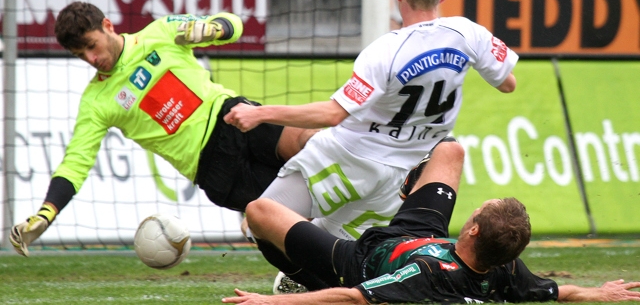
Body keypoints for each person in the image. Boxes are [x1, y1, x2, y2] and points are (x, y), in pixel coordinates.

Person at [224, 0, 518, 244]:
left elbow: (333, 114)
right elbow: (508, 84)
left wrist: (260, 113)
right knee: (338, 248)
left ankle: (297, 270)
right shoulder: (469, 33)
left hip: (347, 158)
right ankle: (306, 271)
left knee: (256, 224)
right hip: (400, 174)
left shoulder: (385, 51)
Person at [10, 2, 316, 257]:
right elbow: (75, 164)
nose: (92, 59)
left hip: (234, 117)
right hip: (213, 168)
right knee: (296, 219)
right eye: (81, 55)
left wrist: (213, 28)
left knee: (310, 142)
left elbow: (233, 24)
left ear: (107, 25)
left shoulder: (161, 31)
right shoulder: (96, 101)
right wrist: (47, 213)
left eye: (91, 46)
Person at [221, 140, 640, 304]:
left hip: (357, 260)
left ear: (473, 228)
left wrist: (268, 302)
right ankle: (407, 188)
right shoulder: (505, 269)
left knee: (258, 212)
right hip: (420, 234)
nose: (474, 208)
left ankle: (299, 277)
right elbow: (554, 291)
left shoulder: (424, 275)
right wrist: (596, 292)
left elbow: (354, 299)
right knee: (451, 151)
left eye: (479, 210)